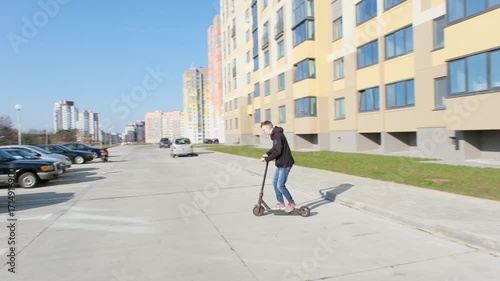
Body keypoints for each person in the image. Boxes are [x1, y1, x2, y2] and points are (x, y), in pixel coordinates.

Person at [260, 120, 296, 212]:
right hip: (281, 163)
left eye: (264, 130)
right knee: (275, 182)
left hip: (285, 163)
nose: (263, 132)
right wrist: (267, 154)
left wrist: (267, 159)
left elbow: (278, 151)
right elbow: (275, 148)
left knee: (280, 185)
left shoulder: (277, 135)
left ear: (268, 128)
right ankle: (281, 203)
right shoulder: (275, 135)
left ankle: (291, 203)